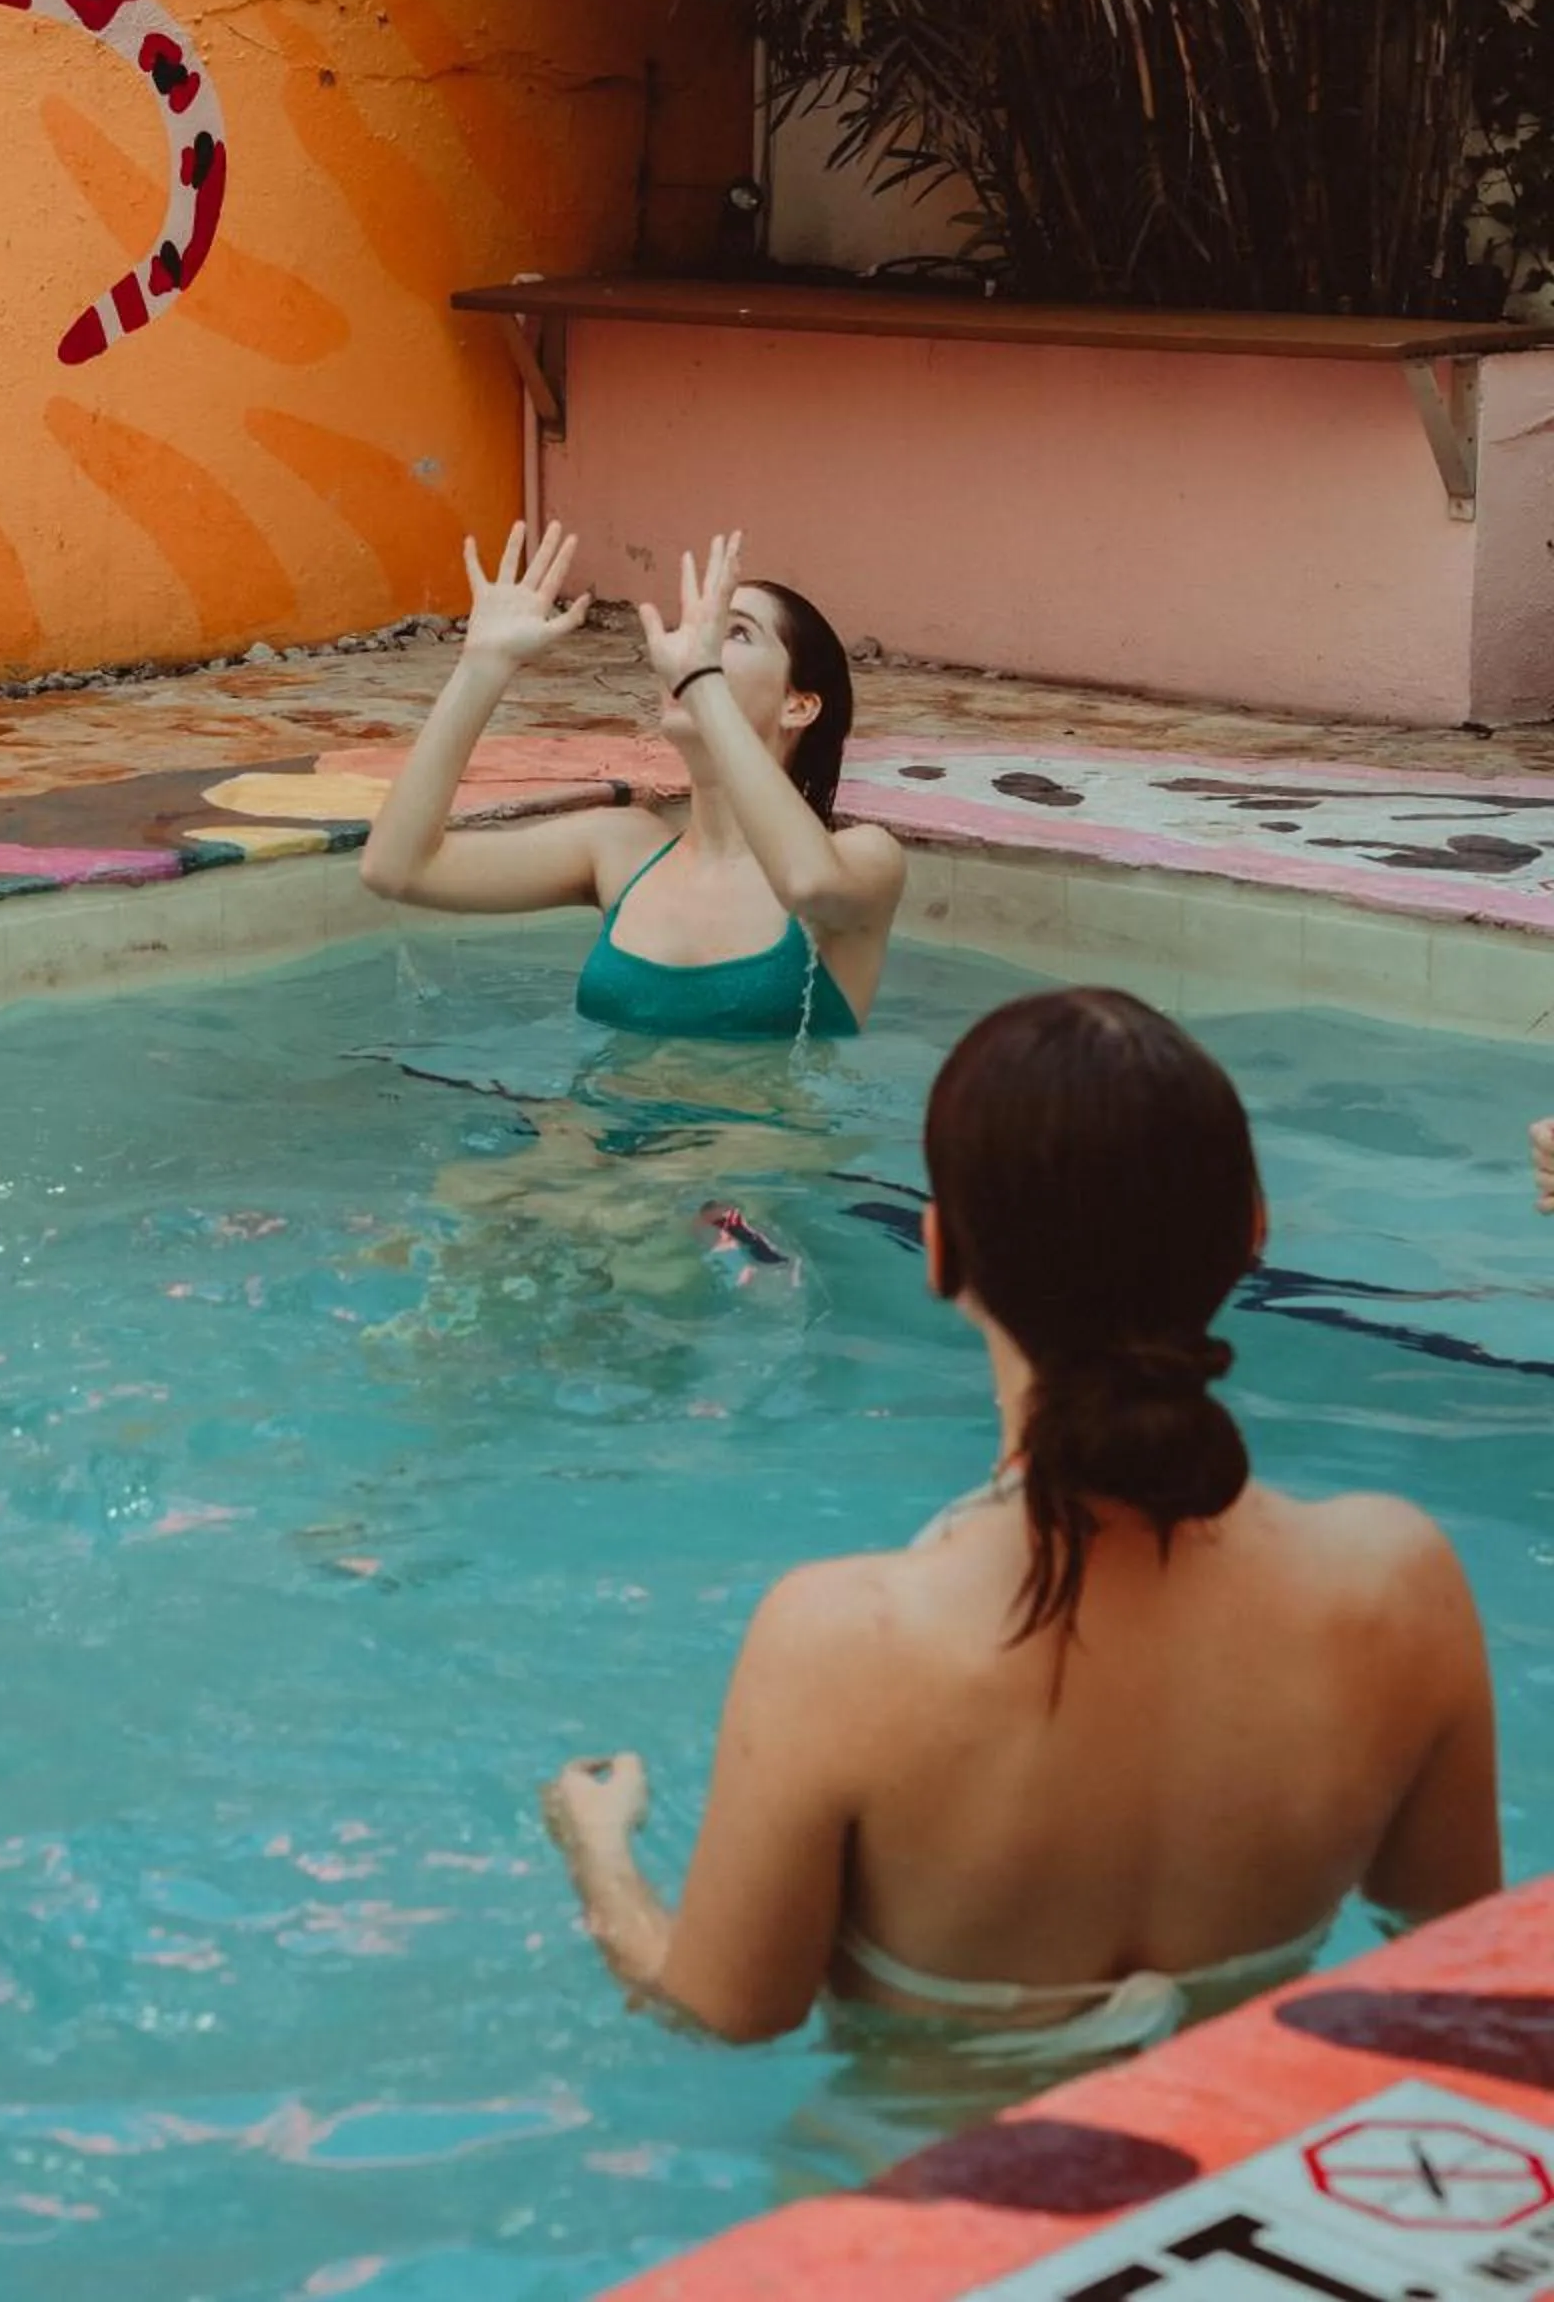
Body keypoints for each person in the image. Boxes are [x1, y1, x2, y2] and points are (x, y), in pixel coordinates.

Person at [542, 989, 1502, 2057]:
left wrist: (600, 1854)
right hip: (1259, 2182)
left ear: (943, 1254)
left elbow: (724, 2013)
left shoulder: (839, 1643)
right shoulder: (1401, 1583)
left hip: (924, 2199)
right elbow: (1451, 1962)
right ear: (1253, 1237)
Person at [360, 524, 904, 1041]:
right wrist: (482, 667)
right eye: (694, 635)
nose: (694, 650)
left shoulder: (865, 859)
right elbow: (396, 868)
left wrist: (702, 684)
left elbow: (806, 884)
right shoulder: (619, 850)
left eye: (733, 633)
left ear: (798, 705)